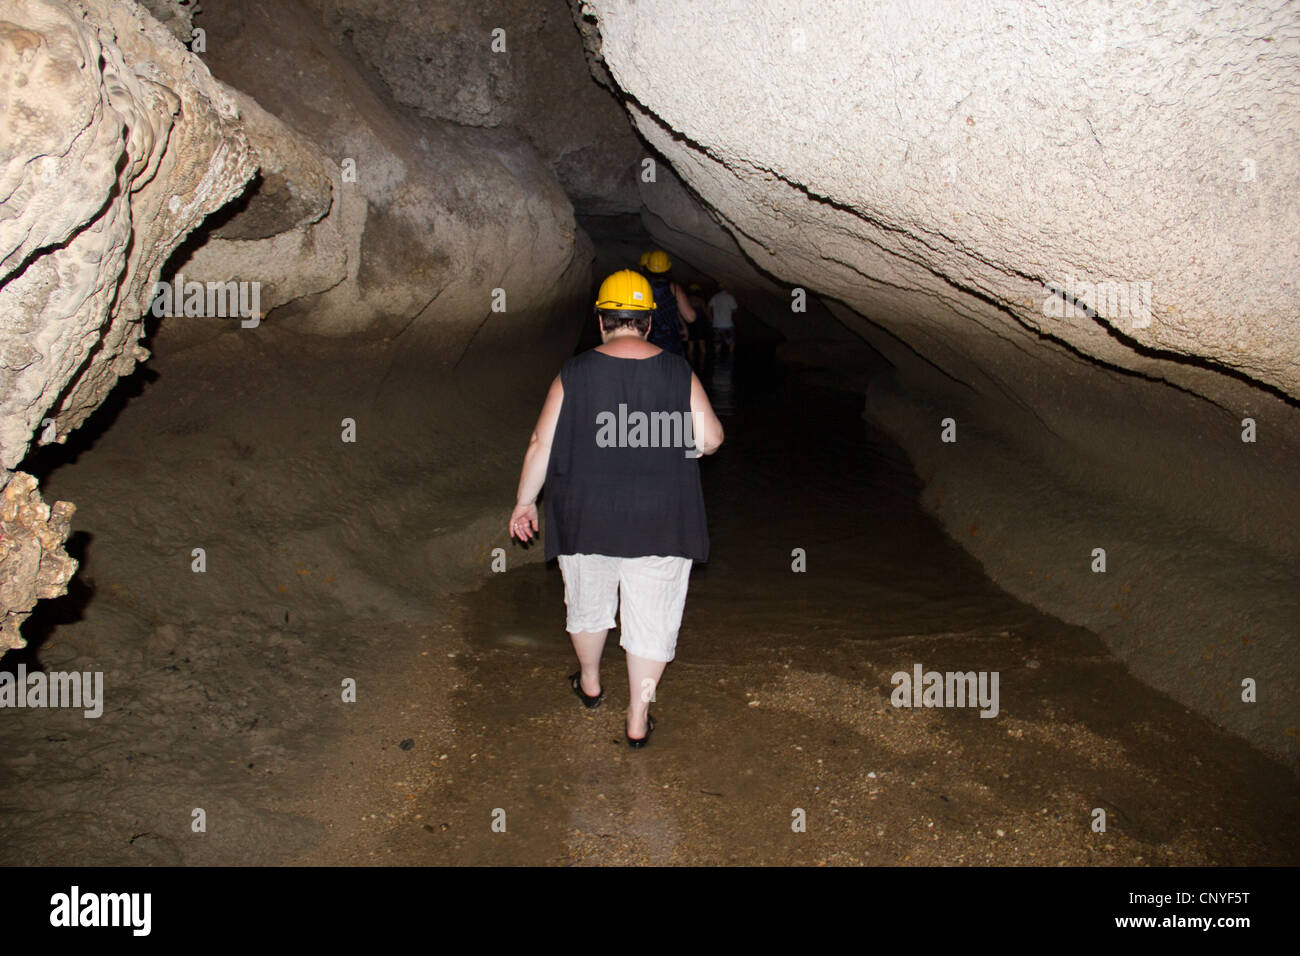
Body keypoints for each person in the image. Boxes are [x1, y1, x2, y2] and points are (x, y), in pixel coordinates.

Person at [509, 269, 724, 748]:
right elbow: (711, 440)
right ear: (647, 322)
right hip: (663, 521)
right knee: (652, 620)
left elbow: (541, 442)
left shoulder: (574, 372)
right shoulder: (675, 369)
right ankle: (636, 717)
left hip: (586, 517)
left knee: (588, 606)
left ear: (602, 320)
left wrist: (525, 502)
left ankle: (590, 683)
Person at [641, 250, 695, 355]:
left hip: (648, 343)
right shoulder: (674, 288)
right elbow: (691, 317)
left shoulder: (642, 287)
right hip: (671, 345)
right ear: (668, 269)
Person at [685, 282, 712, 365]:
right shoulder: (700, 300)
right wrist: (710, 322)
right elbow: (706, 312)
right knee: (702, 346)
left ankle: (691, 365)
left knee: (690, 346)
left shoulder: (687, 300)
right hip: (700, 324)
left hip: (690, 323)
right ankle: (702, 365)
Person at [708, 287, 738, 356]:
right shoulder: (730, 297)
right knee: (731, 343)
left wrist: (710, 318)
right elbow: (735, 310)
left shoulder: (715, 297)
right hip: (728, 325)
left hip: (716, 325)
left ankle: (716, 361)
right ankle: (730, 359)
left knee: (717, 344)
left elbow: (708, 307)